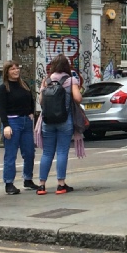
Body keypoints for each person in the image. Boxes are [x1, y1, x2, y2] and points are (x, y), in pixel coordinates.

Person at [37, 54, 82, 195]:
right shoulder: (70, 80)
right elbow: (78, 98)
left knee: (47, 153)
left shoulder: (46, 80)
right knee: (62, 152)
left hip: (47, 121)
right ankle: (61, 185)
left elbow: (41, 101)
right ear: (66, 66)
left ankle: (42, 185)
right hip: (64, 120)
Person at [0, 61, 36, 195]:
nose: (16, 71)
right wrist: (6, 125)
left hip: (26, 121)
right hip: (12, 122)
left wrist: (31, 112)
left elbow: (31, 99)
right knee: (11, 154)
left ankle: (28, 179)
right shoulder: (3, 88)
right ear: (7, 71)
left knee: (29, 152)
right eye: (12, 69)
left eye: (17, 68)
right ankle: (9, 183)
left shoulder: (24, 85)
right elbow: (2, 109)